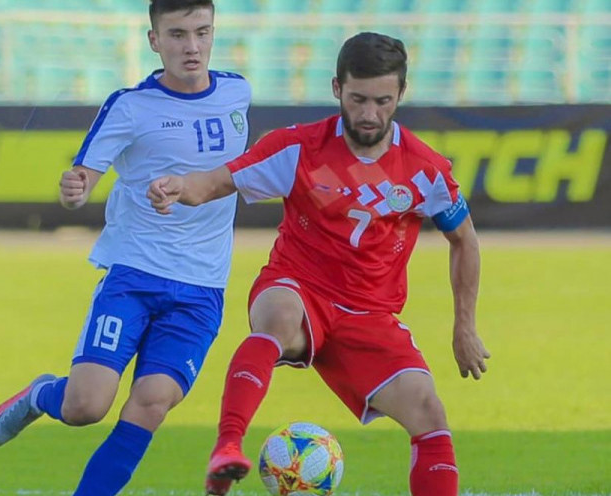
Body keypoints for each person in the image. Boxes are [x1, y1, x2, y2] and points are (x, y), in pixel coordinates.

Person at [148, 32, 490, 496]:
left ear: (401, 95)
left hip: (370, 316)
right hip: (299, 286)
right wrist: (177, 187)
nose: (369, 114)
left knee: (428, 412)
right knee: (278, 319)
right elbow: (214, 182)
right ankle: (227, 448)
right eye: (358, 99)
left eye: (382, 101)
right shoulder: (297, 148)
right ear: (336, 89)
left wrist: (464, 327)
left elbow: (464, 240)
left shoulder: (425, 170)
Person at [0, 1, 251, 494]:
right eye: (176, 35)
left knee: (151, 402)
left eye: (201, 32)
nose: (191, 46)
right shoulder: (130, 106)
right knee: (86, 406)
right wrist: (76, 188)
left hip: (201, 288)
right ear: (154, 41)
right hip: (134, 274)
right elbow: (85, 174)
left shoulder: (237, 91)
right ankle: (42, 395)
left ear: (213, 32)